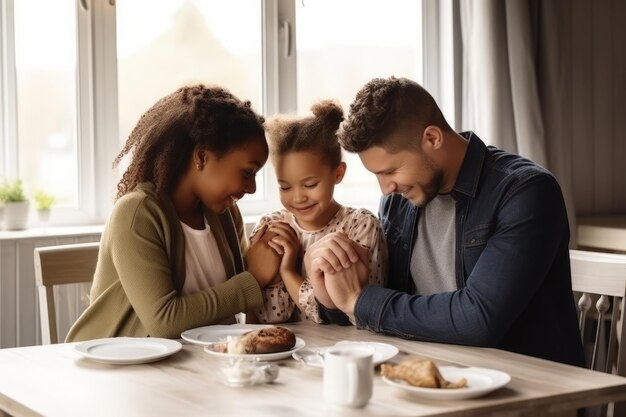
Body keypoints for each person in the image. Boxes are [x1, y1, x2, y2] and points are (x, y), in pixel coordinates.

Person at [304, 76, 585, 367]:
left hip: (527, 389)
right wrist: (332, 297)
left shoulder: (525, 192)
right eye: (376, 175)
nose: (385, 188)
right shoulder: (399, 200)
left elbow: (479, 319)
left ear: (432, 138)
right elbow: (382, 304)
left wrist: (360, 302)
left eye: (390, 171)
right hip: (426, 375)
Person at [66, 84, 280, 342]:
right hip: (117, 370)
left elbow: (237, 297)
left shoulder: (223, 213)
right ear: (201, 156)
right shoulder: (137, 213)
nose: (252, 187)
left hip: (198, 367)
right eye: (248, 172)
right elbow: (164, 322)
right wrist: (254, 279)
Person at [248, 100, 387, 324]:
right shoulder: (272, 225)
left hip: (345, 350)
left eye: (310, 185)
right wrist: (274, 274)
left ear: (338, 173)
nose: (298, 198)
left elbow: (354, 314)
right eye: (285, 187)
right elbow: (273, 316)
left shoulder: (360, 226)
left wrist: (287, 271)